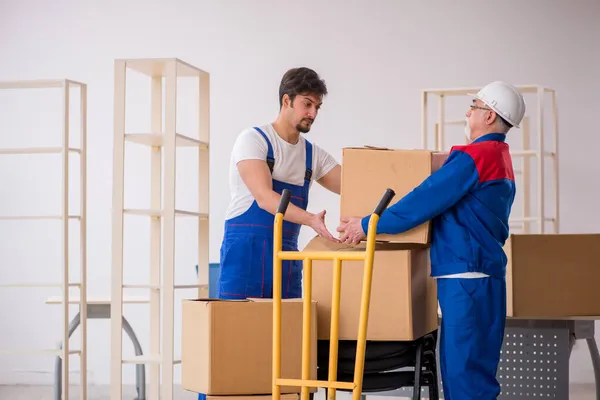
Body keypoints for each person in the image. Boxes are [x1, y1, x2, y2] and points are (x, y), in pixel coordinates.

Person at [337, 81, 526, 399]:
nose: (468, 113)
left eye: (474, 107)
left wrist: (368, 224)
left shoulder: (475, 158)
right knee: (475, 370)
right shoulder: (498, 157)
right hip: (485, 276)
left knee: (463, 373)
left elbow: (422, 201)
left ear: (490, 116)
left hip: (465, 277)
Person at [216, 67, 341, 301]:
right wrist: (311, 219)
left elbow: (355, 185)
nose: (313, 113)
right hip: (246, 255)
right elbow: (264, 198)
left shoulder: (312, 155)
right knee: (238, 332)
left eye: (317, 107)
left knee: (288, 332)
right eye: (307, 104)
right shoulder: (253, 140)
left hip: (286, 259)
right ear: (287, 100)